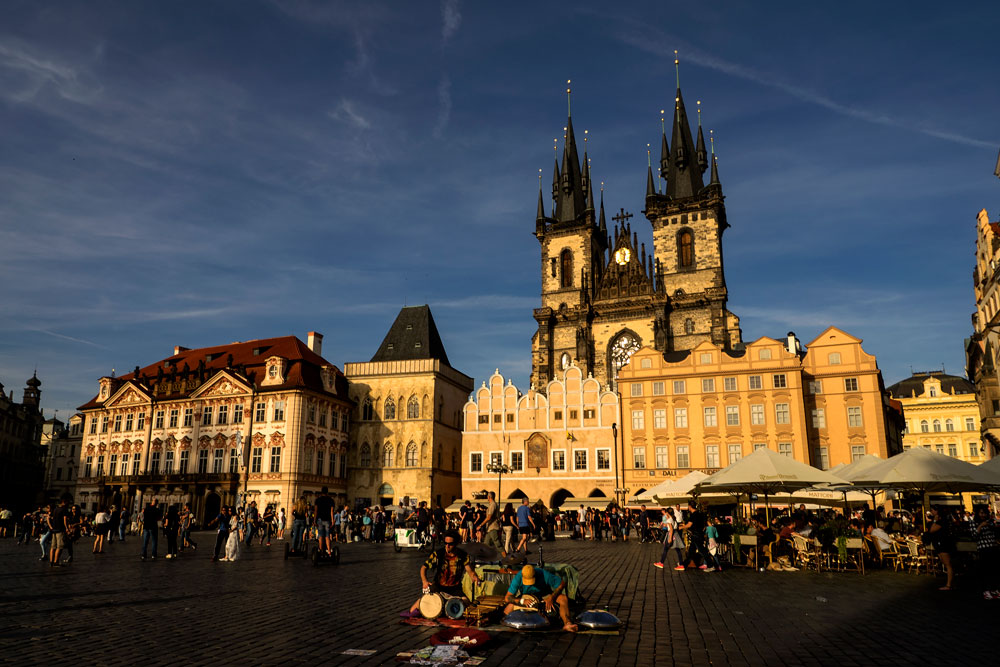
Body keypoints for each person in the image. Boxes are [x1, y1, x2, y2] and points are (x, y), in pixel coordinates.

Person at [404, 530, 481, 617]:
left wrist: (474, 577)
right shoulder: (438, 554)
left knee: (466, 604)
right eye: (445, 543)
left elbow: (470, 572)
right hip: (438, 588)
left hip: (455, 589)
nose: (447, 546)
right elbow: (423, 568)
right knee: (412, 611)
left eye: (450, 544)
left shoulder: (463, 556)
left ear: (456, 544)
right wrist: (424, 581)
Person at [504, 565, 578, 633]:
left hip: (544, 595)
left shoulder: (543, 574)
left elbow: (561, 583)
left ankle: (567, 623)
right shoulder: (518, 577)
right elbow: (507, 597)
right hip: (526, 597)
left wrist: (552, 597)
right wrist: (522, 601)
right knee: (507, 610)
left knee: (563, 598)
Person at [925, 506, 956, 591]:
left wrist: (934, 521)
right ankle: (949, 583)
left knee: (947, 564)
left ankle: (949, 585)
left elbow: (931, 530)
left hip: (943, 544)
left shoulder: (941, 521)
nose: (931, 511)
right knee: (945, 563)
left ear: (937, 511)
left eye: (932, 510)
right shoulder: (941, 520)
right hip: (940, 544)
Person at [972, 506, 999, 599]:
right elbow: (974, 536)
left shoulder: (990, 522)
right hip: (983, 548)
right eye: (981, 513)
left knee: (994, 570)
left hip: (993, 547)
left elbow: (995, 533)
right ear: (978, 513)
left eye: (984, 513)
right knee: (984, 570)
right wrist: (980, 526)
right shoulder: (974, 522)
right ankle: (985, 590)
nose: (983, 515)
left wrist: (993, 526)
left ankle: (994, 589)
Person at [679, 500, 712, 571]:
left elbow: (689, 525)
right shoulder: (700, 514)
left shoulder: (693, 515)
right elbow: (705, 523)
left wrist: (680, 527)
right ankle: (684, 565)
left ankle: (711, 565)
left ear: (690, 506)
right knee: (691, 551)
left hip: (696, 535)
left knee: (702, 551)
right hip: (698, 534)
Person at [314, 487, 335, 555]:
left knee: (320, 536)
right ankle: (329, 551)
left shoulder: (318, 500)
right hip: (328, 520)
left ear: (321, 492)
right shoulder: (331, 500)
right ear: (327, 492)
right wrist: (332, 520)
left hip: (320, 519)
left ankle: (320, 550)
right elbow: (332, 511)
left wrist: (314, 520)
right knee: (327, 536)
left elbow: (316, 511)